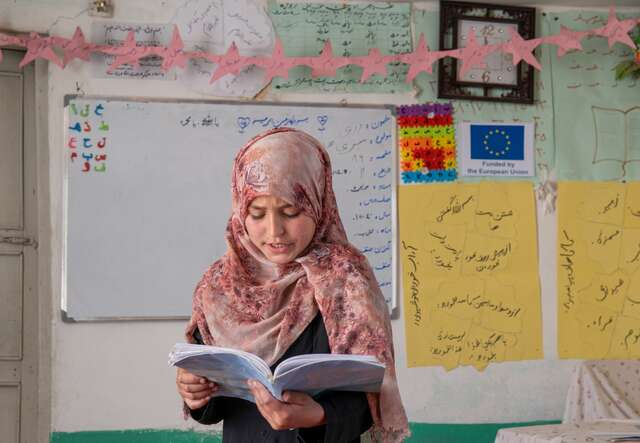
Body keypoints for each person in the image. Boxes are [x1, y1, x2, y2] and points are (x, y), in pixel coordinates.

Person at [176, 128, 409, 442]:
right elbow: (216, 402)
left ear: (317, 202)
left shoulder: (345, 277)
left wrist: (320, 415)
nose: (275, 231)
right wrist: (196, 392)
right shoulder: (218, 285)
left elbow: (374, 395)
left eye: (291, 211)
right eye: (256, 214)